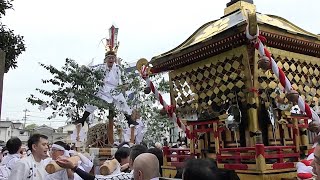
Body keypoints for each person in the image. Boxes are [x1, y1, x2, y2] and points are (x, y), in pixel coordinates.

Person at [76, 51, 135, 126]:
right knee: (93, 102)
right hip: (103, 89)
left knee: (122, 102)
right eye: (109, 58)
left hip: (114, 90)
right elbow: (91, 70)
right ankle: (83, 119)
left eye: (112, 58)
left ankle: (129, 121)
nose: (111, 60)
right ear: (106, 59)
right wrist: (85, 69)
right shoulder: (101, 67)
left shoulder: (118, 68)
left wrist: (126, 85)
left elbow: (124, 79)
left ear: (114, 59)